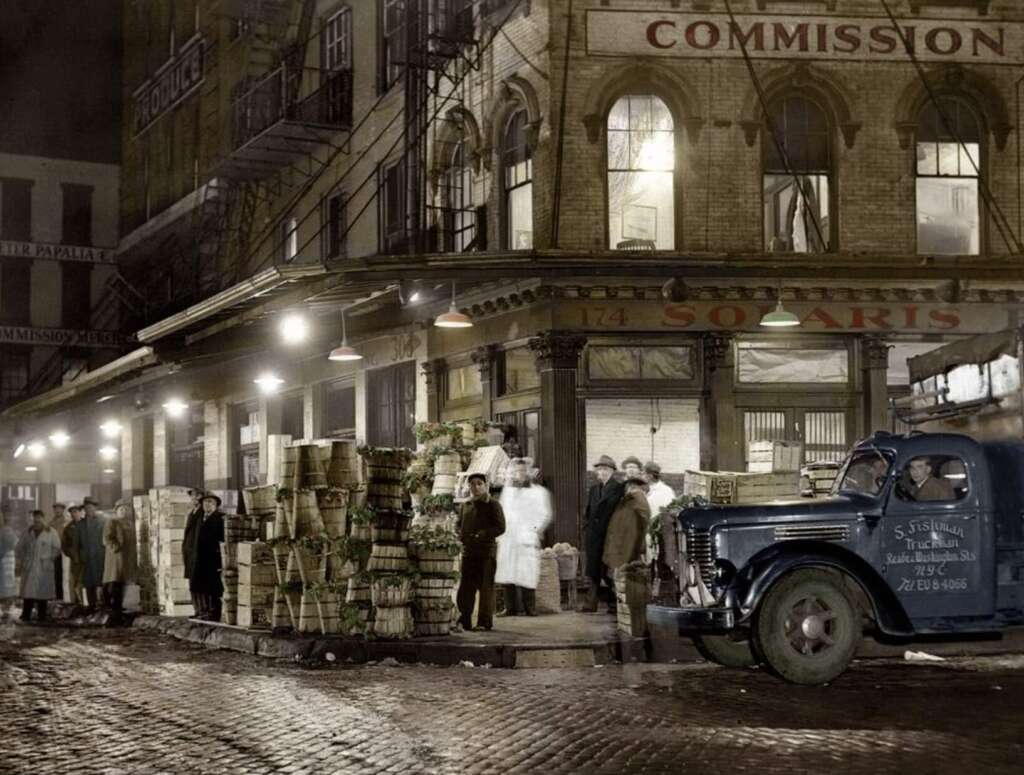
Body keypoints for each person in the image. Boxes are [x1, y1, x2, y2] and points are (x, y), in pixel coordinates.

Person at [496, 458, 552, 617]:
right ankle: (510, 608)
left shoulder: (539, 492)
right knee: (508, 573)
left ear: (528, 472)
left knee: (527, 572)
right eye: (516, 471)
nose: (519, 474)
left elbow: (545, 514)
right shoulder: (508, 491)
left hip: (527, 536)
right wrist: (501, 533)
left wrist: (533, 531)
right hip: (509, 536)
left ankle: (530, 608)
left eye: (522, 471)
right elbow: (501, 512)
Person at [456, 473, 506, 631]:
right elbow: (459, 524)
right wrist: (459, 536)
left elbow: (500, 527)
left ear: (485, 486)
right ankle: (464, 621)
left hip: (486, 552)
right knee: (466, 588)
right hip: (468, 552)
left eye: (479, 484)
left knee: (485, 589)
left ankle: (484, 623)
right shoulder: (466, 505)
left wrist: (483, 534)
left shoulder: (493, 504)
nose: (475, 487)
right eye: (472, 484)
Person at [582, 455, 625, 613]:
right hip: (594, 536)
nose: (602, 472)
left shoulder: (619, 488)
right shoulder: (594, 489)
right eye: (600, 469)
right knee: (594, 571)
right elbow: (588, 510)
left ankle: (614, 603)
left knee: (608, 572)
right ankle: (590, 604)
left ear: (612, 471)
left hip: (609, 536)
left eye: (606, 469)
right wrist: (586, 527)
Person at [183, 493, 225, 621]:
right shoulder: (200, 518)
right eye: (206, 502)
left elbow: (222, 539)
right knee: (198, 585)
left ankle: (212, 612)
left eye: (211, 502)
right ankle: (202, 611)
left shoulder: (220, 518)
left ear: (216, 505)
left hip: (212, 558)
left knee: (212, 587)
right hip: (199, 557)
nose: (208, 505)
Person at [15, 510, 62, 623]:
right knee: (28, 592)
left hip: (44, 566)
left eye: (39, 517)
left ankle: (42, 615)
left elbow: (57, 548)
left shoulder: (51, 532)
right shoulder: (27, 532)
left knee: (42, 593)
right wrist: (22, 560)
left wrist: (49, 558)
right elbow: (19, 548)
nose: (37, 520)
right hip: (30, 565)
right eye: (35, 518)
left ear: (43, 518)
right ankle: (26, 614)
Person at [603, 477, 652, 583]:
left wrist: (639, 540)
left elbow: (644, 518)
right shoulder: (628, 499)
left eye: (628, 486)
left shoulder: (636, 497)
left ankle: (625, 596)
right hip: (622, 542)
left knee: (624, 576)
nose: (627, 488)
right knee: (620, 575)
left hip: (627, 542)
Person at [103, 500, 137, 625]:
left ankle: (118, 614)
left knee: (122, 585)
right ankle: (114, 615)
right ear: (116, 511)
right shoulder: (112, 522)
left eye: (126, 509)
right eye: (121, 509)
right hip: (116, 559)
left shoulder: (130, 523)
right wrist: (116, 547)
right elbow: (106, 538)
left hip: (128, 558)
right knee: (114, 584)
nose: (124, 511)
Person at [76, 497, 106, 614]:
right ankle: (91, 605)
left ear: (95, 508)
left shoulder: (102, 522)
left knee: (102, 581)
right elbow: (76, 543)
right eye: (86, 508)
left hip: (100, 556)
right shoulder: (80, 524)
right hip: (86, 557)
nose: (89, 510)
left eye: (91, 507)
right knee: (88, 582)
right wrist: (78, 556)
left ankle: (103, 604)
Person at [643, 462, 676, 563]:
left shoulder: (664, 491)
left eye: (643, 474)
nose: (642, 476)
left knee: (658, 558)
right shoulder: (649, 490)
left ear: (650, 476)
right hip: (650, 530)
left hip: (660, 532)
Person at [182, 490, 205, 614]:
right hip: (190, 553)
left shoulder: (203, 514)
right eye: (192, 497)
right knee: (192, 583)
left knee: (199, 583)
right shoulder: (191, 513)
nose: (194, 499)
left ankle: (202, 610)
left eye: (197, 496)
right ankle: (197, 609)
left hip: (198, 553)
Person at [62, 505, 85, 610]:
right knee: (75, 582)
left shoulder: (87, 524)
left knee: (88, 582)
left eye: (76, 512)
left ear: (80, 512)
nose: (74, 514)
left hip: (88, 558)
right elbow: (64, 546)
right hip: (75, 559)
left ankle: (90, 604)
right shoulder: (68, 528)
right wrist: (72, 554)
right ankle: (78, 604)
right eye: (72, 512)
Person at [0, 513, 17, 620]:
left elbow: (14, 544)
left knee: (6, 586)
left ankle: (6, 610)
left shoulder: (6, 531)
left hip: (5, 563)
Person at [50, 502, 68, 601]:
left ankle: (66, 597)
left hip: (65, 553)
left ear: (63, 510)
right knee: (56, 575)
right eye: (56, 508)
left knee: (66, 575)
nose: (57, 510)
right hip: (54, 553)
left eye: (60, 508)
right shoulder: (50, 523)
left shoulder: (67, 522)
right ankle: (58, 596)